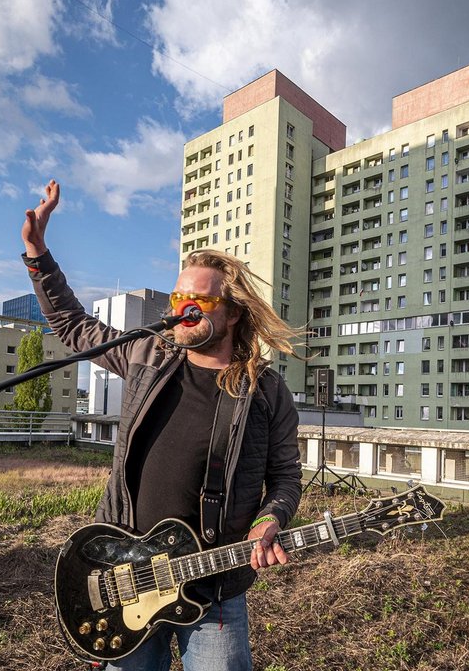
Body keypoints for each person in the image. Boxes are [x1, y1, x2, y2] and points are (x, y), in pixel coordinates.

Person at [22, 180, 303, 671]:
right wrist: (38, 254)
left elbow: (285, 477)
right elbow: (72, 325)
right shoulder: (147, 356)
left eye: (200, 300)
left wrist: (269, 520)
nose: (182, 309)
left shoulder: (265, 391)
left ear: (233, 314)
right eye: (178, 297)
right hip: (124, 577)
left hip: (213, 588)